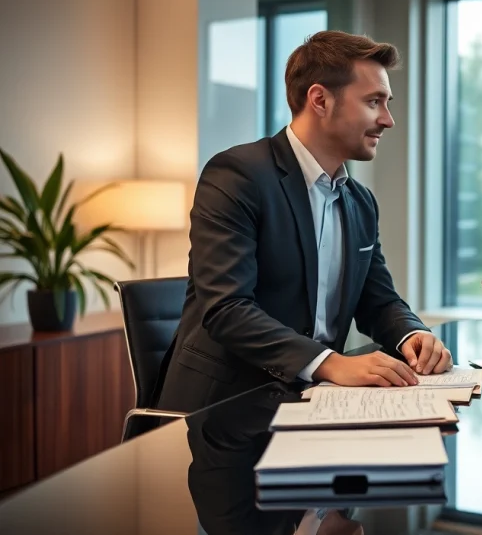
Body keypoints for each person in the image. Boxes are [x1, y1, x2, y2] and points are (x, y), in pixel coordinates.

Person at [158, 31, 450, 413]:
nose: (388, 119)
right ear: (320, 100)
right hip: (223, 409)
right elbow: (228, 309)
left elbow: (378, 301)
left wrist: (412, 333)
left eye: (386, 103)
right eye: (373, 102)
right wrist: (331, 363)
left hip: (315, 402)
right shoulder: (237, 176)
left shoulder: (360, 202)